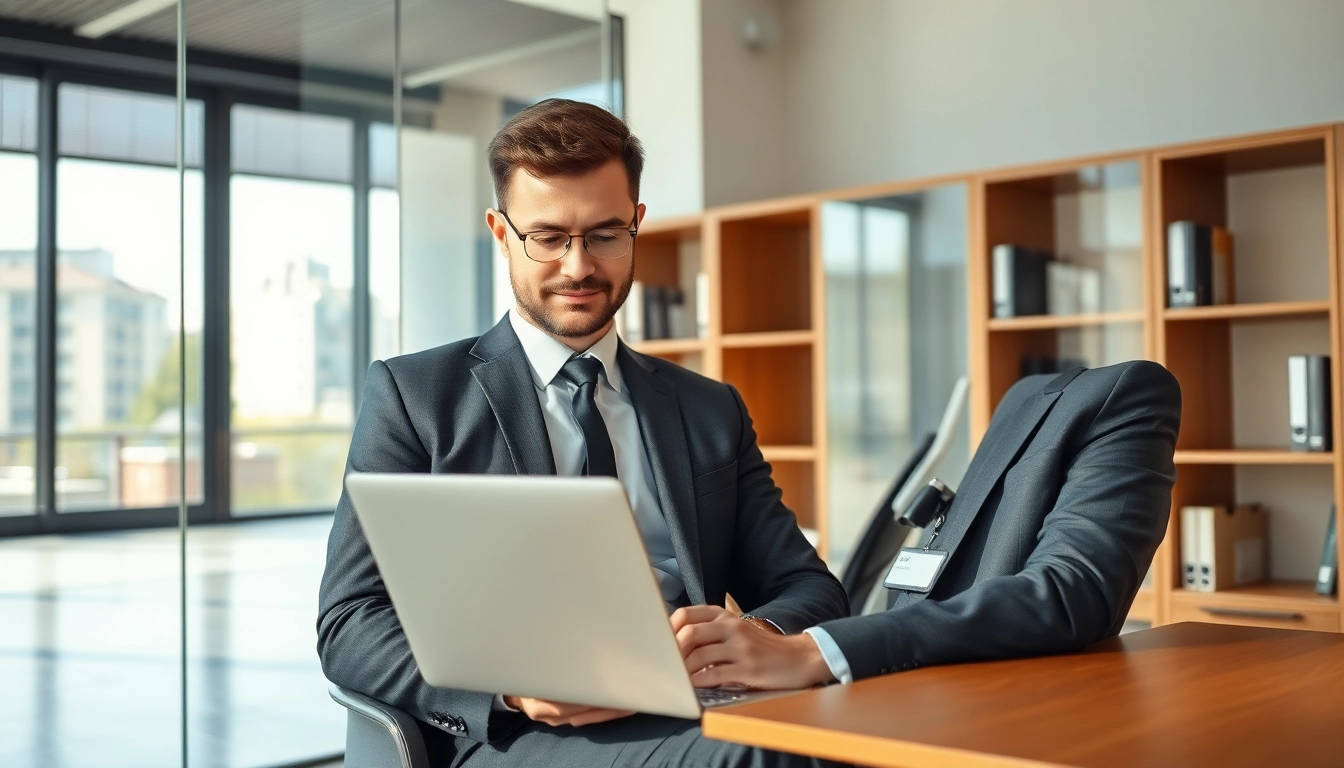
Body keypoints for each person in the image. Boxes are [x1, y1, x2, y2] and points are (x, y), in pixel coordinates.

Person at [317, 99, 849, 767]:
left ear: (637, 226)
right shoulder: (416, 397)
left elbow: (813, 588)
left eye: (604, 233)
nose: (578, 267)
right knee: (774, 757)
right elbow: (350, 622)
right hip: (517, 733)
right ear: (501, 232)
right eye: (548, 237)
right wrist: (509, 692)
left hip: (698, 699)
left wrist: (755, 634)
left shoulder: (709, 408)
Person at [680, 360, 1181, 692]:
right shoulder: (1025, 398)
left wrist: (816, 651)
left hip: (970, 699)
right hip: (907, 681)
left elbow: (1076, 590)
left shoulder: (1131, 391)